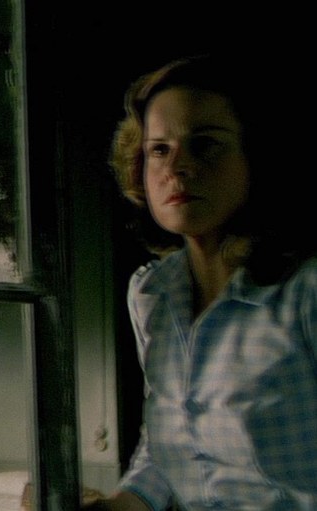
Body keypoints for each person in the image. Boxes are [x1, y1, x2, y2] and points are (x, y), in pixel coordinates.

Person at [84, 53, 317, 510]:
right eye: (159, 149)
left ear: (257, 156)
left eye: (205, 144)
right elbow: (168, 445)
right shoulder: (151, 293)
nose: (177, 167)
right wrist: (115, 506)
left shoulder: (304, 292)